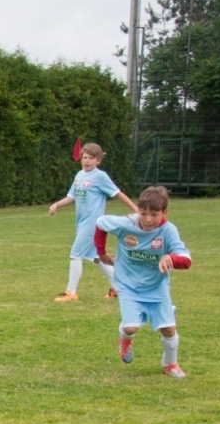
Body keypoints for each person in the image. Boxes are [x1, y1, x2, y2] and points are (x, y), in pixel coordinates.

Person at [94, 186, 192, 378]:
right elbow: (100, 223)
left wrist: (171, 258)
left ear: (164, 213)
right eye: (143, 213)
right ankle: (125, 340)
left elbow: (186, 260)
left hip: (157, 287)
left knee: (168, 330)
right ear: (137, 210)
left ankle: (170, 365)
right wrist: (102, 253)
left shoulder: (168, 231)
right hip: (128, 285)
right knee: (130, 327)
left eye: (154, 214)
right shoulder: (126, 224)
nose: (148, 219)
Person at [48, 142, 136, 301]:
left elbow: (117, 193)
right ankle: (119, 289)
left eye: (90, 158)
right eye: (84, 157)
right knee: (98, 258)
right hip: (81, 223)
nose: (86, 161)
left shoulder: (100, 176)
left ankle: (71, 292)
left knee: (75, 254)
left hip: (93, 224)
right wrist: (56, 205)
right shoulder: (79, 175)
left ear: (98, 160)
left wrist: (135, 209)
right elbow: (72, 197)